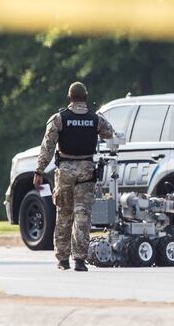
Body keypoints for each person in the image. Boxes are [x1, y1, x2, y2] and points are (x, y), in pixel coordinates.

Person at [34, 82, 114, 271]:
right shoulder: (95, 119)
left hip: (65, 171)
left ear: (69, 97)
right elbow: (110, 134)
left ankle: (63, 260)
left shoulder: (59, 118)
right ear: (85, 97)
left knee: (64, 214)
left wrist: (39, 171)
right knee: (83, 215)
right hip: (87, 169)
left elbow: (47, 147)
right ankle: (79, 259)